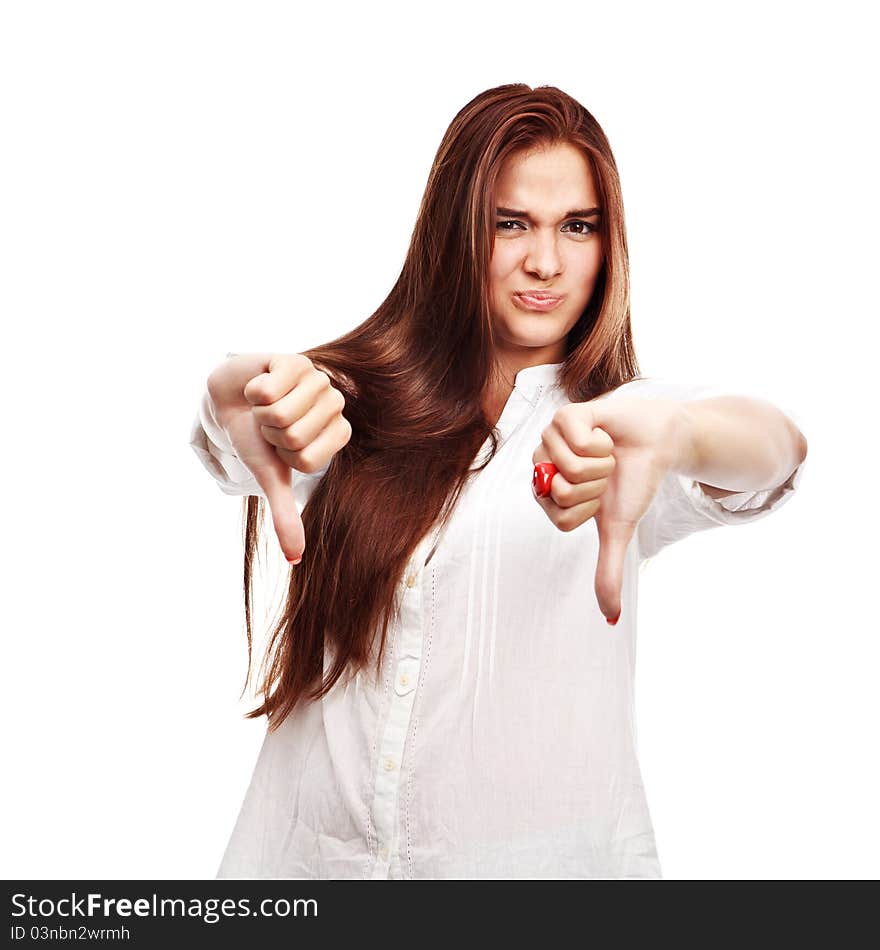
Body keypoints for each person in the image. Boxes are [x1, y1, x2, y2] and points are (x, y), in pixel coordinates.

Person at [189, 83, 808, 879]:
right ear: (454, 234)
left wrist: (685, 435)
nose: (544, 261)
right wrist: (235, 396)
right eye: (509, 223)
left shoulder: (619, 433)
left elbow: (775, 450)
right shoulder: (344, 406)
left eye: (577, 227)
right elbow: (237, 425)